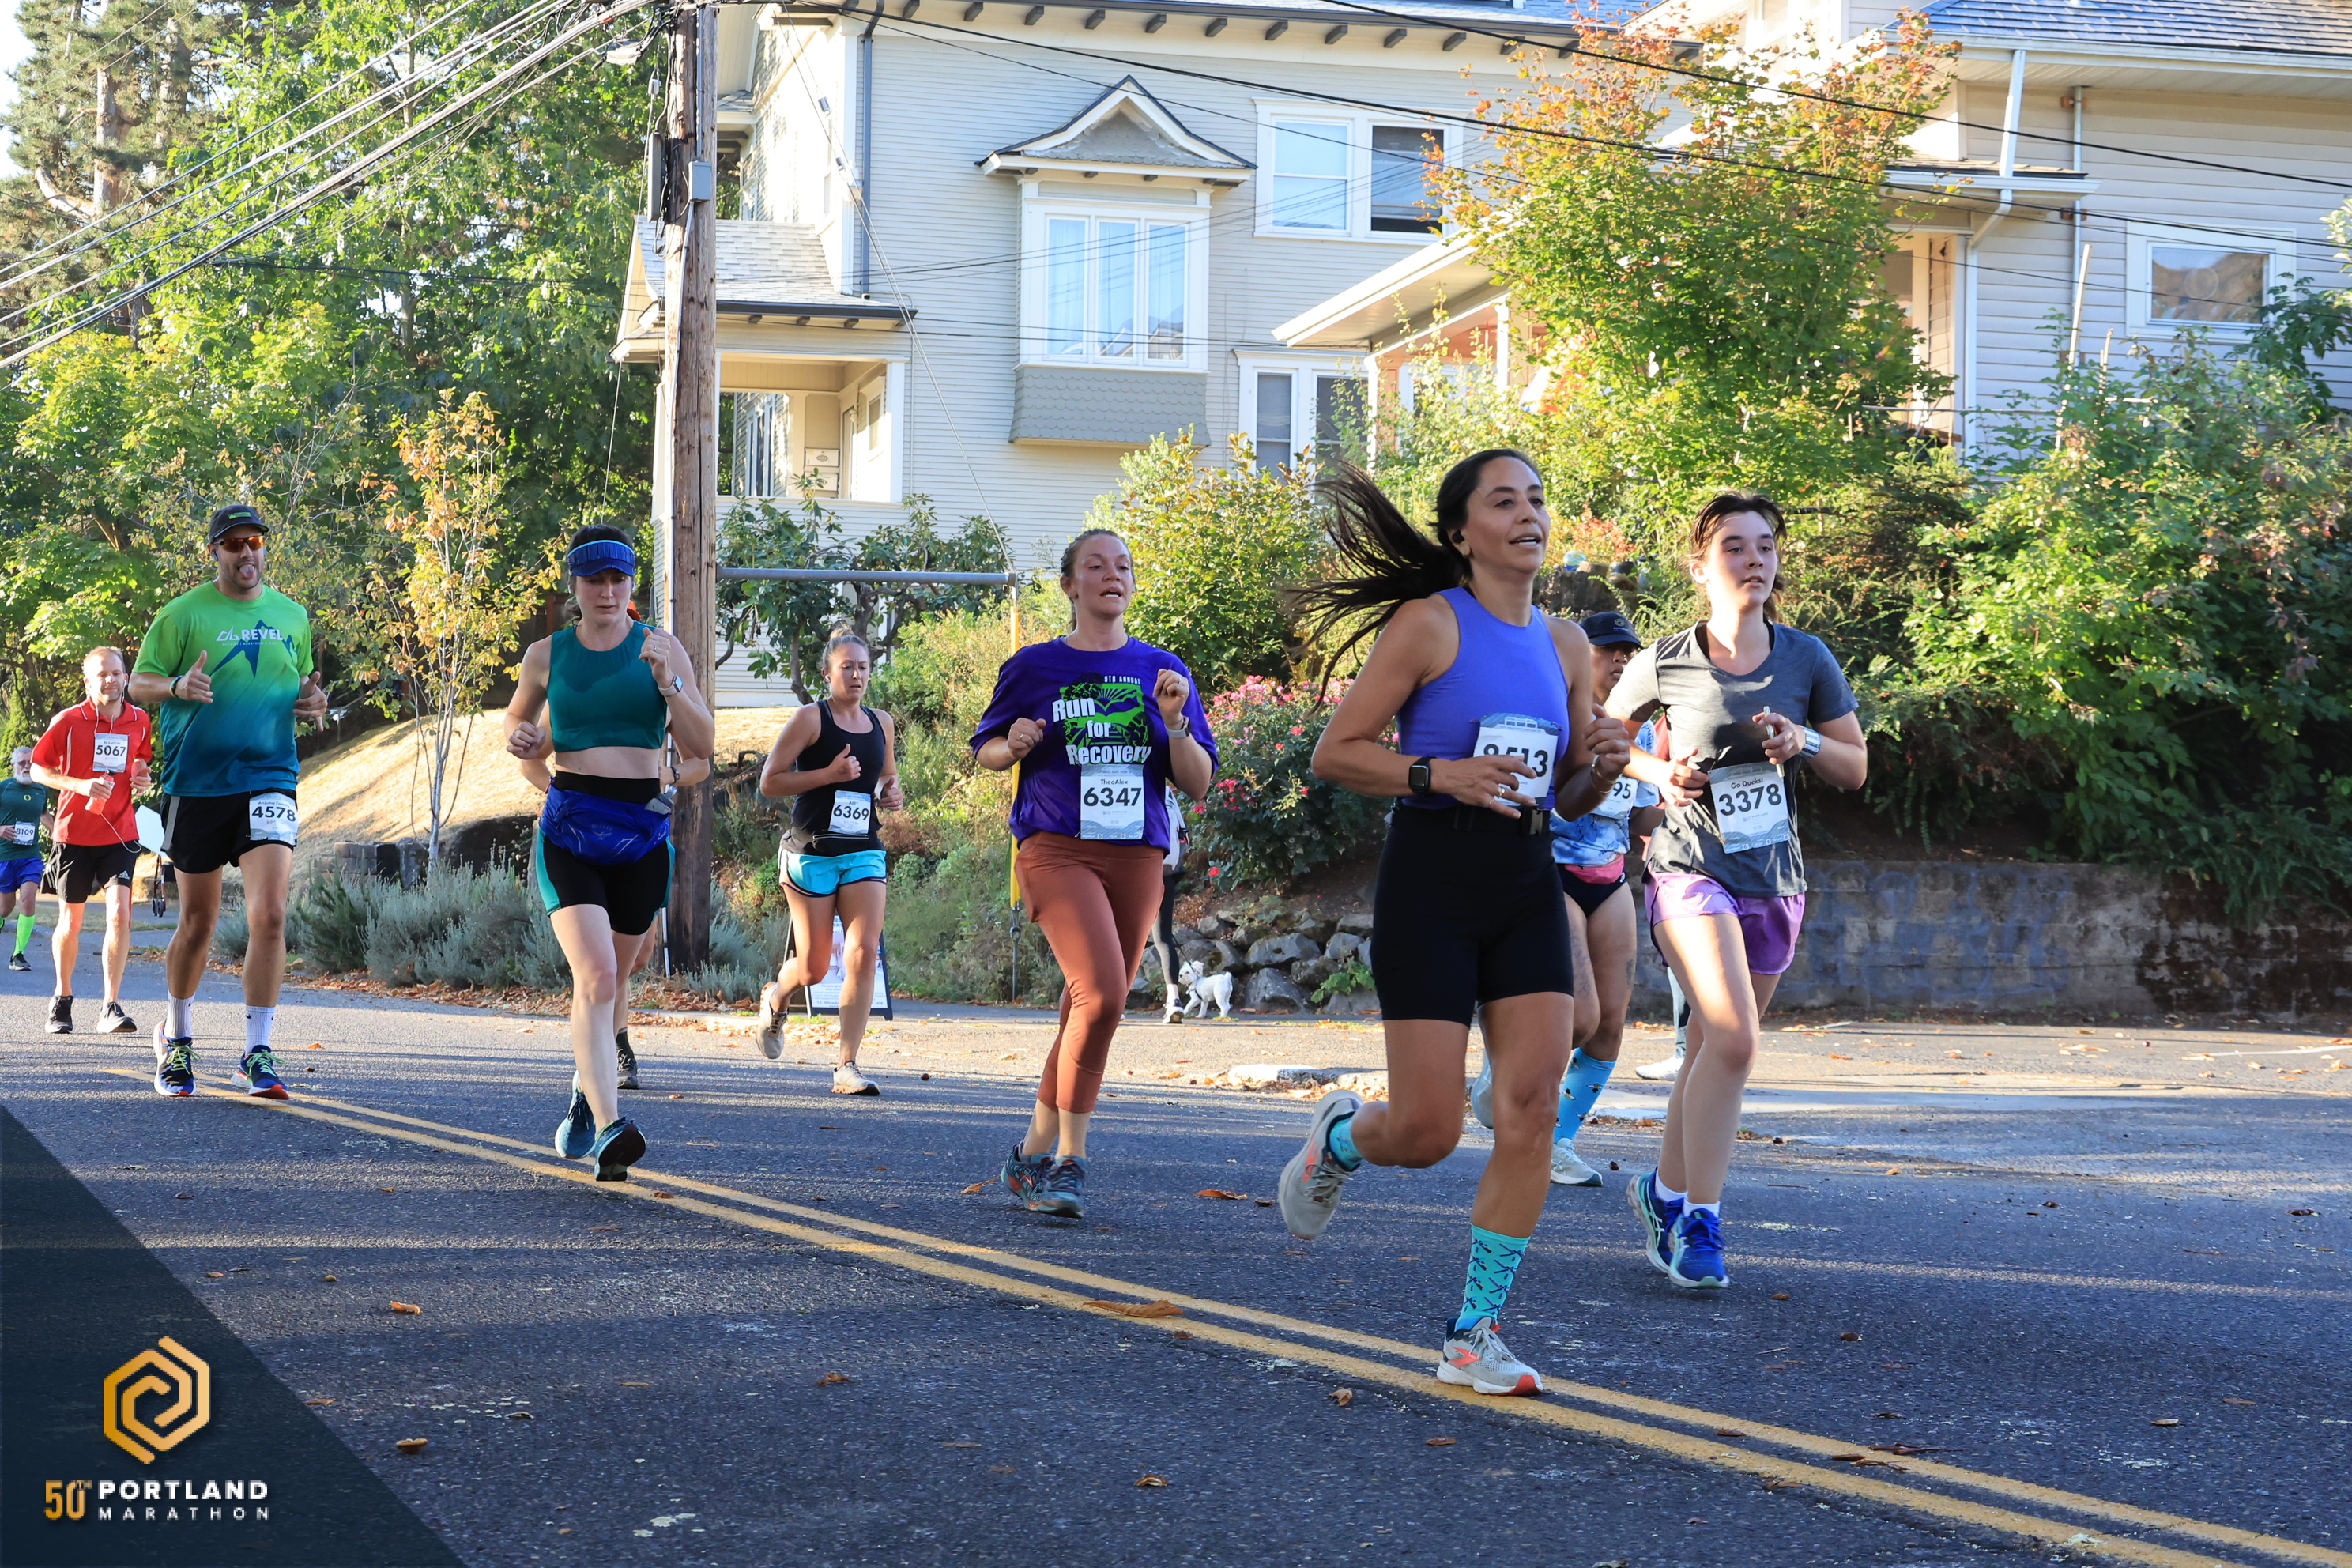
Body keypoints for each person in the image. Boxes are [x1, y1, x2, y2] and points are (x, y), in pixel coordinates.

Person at [1275, 452, 1630, 1397]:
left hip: (1526, 879)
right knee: (1428, 1130)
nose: (1529, 515)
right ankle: (1342, 1138)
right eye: (1504, 501)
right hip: (1432, 878)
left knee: (1532, 1106)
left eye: (1537, 499)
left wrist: (1602, 764)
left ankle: (1474, 1332)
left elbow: (1567, 792)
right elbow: (1336, 753)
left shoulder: (1565, 643)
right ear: (1463, 532)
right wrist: (1440, 775)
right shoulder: (1430, 623)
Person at [1608, 491, 1866, 1290]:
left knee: (1710, 1050)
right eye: (1735, 547)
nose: (1755, 560)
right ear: (1700, 567)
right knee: (1736, 1039)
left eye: (1765, 547)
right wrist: (1659, 772)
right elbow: (1598, 740)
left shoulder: (1807, 658)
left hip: (1774, 876)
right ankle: (1702, 1222)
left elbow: (1855, 767)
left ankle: (1662, 1192)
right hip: (1688, 867)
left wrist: (1805, 739)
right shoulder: (1666, 659)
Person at [974, 528, 1216, 1219]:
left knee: (1085, 1005)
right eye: (1096, 565)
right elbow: (987, 748)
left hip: (1136, 853)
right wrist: (1012, 744)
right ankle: (1068, 1161)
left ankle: (1027, 1155)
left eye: (1124, 567)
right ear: (1069, 585)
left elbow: (1197, 782)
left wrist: (1174, 723)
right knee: (1105, 993)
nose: (1113, 575)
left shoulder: (1163, 670)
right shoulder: (1034, 666)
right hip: (1056, 847)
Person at [504, 526, 713, 1182]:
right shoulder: (547, 655)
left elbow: (704, 746)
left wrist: (668, 682)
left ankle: (585, 1087)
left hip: (642, 835)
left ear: (630, 585)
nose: (606, 590)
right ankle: (610, 1126)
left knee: (618, 979)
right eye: (593, 579)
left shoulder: (661, 647)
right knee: (595, 977)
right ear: (575, 586)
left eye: (617, 579)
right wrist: (523, 739)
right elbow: (518, 723)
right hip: (570, 831)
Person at [129, 503, 329, 1098]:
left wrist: (313, 703)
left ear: (265, 549)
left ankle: (256, 1052)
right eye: (234, 543)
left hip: (269, 777)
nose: (246, 552)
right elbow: (139, 683)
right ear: (214, 551)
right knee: (199, 922)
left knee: (270, 915)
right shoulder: (182, 614)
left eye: (255, 542)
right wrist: (176, 685)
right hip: (197, 784)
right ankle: (177, 1037)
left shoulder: (292, 614)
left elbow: (303, 686)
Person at [1471, 610, 1660, 1186]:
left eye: (1628, 651)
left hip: (1611, 875)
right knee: (1578, 1017)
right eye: (1608, 650)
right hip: (1551, 869)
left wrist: (1686, 794)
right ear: (1577, 657)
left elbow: (1642, 816)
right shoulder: (1551, 719)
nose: (1621, 659)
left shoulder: (1640, 732)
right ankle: (1503, 1060)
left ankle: (1557, 1141)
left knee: (1610, 1025)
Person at [752, 633, 905, 1095]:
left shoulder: (881, 722)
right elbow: (770, 782)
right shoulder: (810, 719)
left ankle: (847, 1065)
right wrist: (828, 775)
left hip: (862, 849)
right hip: (812, 851)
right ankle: (777, 997)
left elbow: (886, 775)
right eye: (847, 667)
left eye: (863, 667)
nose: (857, 675)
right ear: (827, 673)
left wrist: (891, 793)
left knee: (863, 952)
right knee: (814, 968)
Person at [517, 743, 707, 1091]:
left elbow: (701, 762)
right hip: (581, 836)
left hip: (643, 837)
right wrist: (563, 797)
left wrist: (670, 773)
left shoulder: (661, 707)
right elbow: (530, 761)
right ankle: (612, 1046)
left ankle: (602, 1043)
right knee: (602, 968)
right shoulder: (574, 708)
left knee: (638, 958)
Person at [30, 646, 155, 1033]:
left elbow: (141, 757)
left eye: (116, 673)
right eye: (102, 674)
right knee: (72, 921)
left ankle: (110, 1006)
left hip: (120, 831)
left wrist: (141, 775)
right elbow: (37, 770)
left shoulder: (139, 719)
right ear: (88, 681)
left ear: (126, 677)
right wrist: (80, 785)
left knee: (119, 914)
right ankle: (62, 998)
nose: (110, 680)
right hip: (75, 834)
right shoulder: (69, 720)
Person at [2, 747, 51, 973]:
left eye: (31, 762)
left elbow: (44, 814)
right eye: (22, 762)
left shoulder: (41, 789)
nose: (27, 766)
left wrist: (58, 831)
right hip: (4, 856)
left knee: (28, 899)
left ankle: (18, 955)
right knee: (4, 909)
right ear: (14, 765)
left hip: (30, 856)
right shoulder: (4, 788)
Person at [1146, 785, 1189, 1025]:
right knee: (1163, 938)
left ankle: (1114, 1003)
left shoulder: (1127, 782)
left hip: (1137, 869)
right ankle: (1174, 1000)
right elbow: (1183, 834)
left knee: (1120, 937)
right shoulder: (1168, 793)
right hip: (1167, 871)